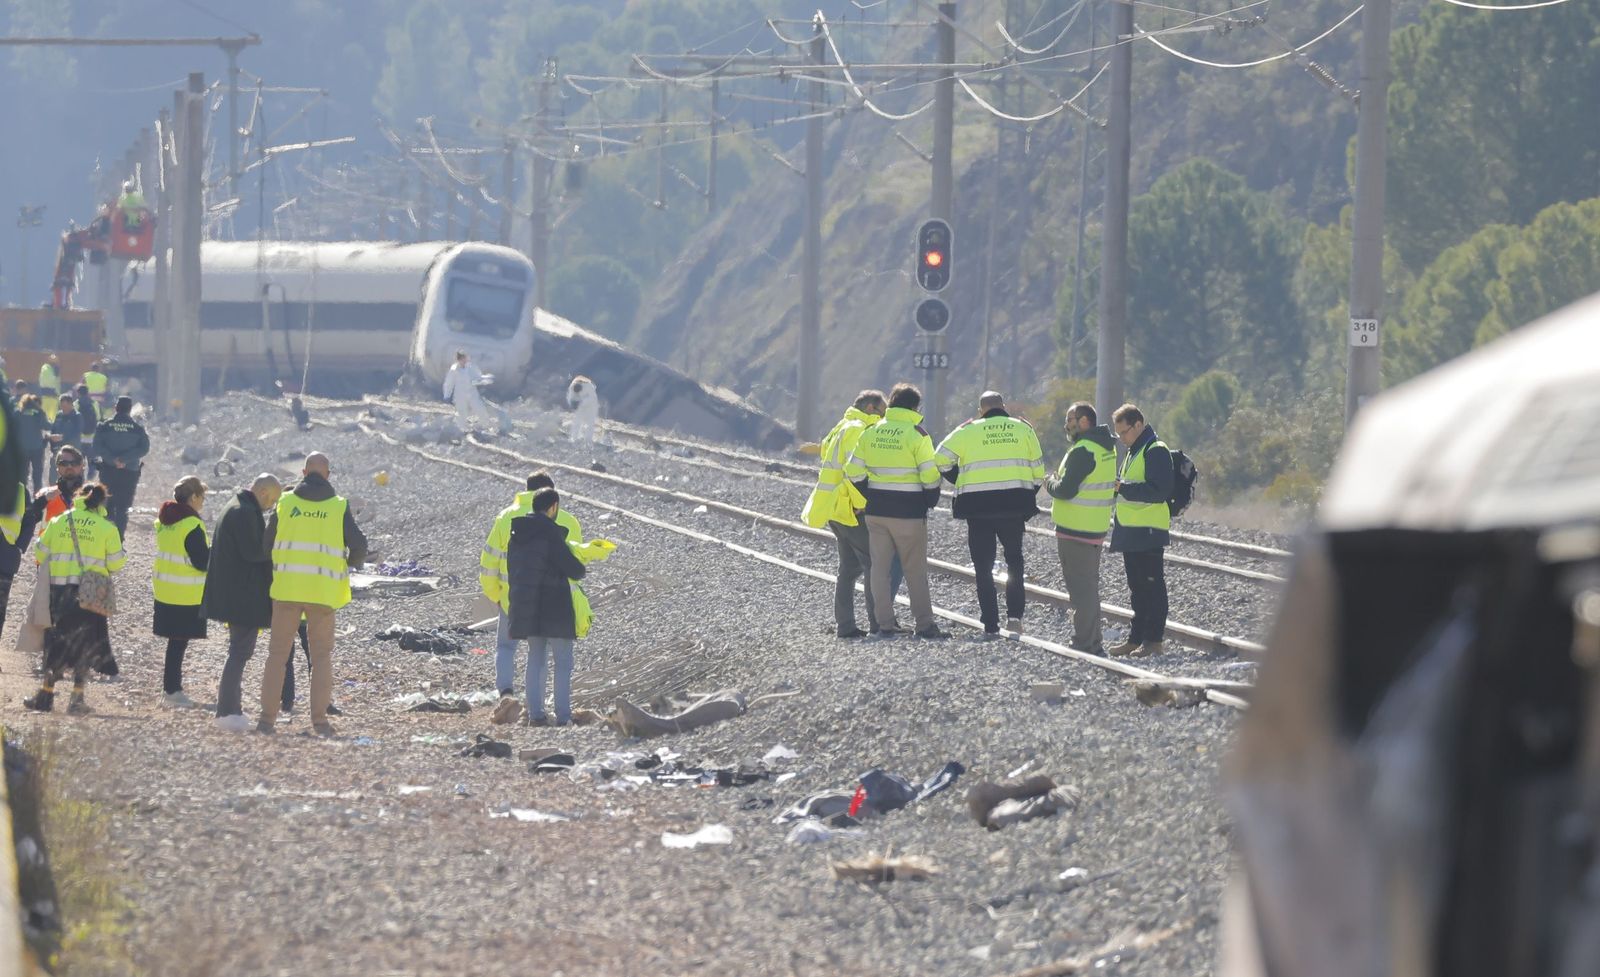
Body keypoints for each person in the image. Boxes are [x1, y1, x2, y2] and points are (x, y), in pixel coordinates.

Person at [257, 451, 367, 736]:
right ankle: (319, 721)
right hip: (322, 592)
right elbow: (359, 546)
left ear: (304, 474)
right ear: (328, 475)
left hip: (287, 589)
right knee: (321, 659)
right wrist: (344, 565)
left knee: (277, 656)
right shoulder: (337, 506)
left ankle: (266, 720)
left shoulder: (285, 502)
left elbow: (265, 545)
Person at [934, 391, 1046, 637]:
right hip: (1013, 508)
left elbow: (939, 457)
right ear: (1003, 407)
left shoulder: (967, 431)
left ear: (980, 410)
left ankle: (990, 625)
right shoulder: (1023, 430)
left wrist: (960, 479)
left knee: (983, 567)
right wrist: (1025, 492)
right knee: (1015, 561)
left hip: (978, 509)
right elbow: (1039, 472)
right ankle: (1015, 617)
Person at [843, 382, 948, 640]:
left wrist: (871, 494)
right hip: (909, 513)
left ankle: (883, 625)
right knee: (914, 569)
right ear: (915, 407)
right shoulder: (917, 434)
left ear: (890, 402)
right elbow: (930, 476)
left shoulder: (871, 431)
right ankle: (924, 625)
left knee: (879, 569)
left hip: (877, 512)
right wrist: (929, 500)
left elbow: (853, 470)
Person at [802, 390, 904, 637]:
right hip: (851, 509)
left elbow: (827, 453)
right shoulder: (858, 430)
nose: (883, 417)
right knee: (875, 564)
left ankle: (845, 626)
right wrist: (864, 503)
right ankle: (878, 623)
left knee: (848, 569)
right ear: (871, 408)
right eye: (882, 411)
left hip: (833, 507)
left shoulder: (841, 426)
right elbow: (853, 471)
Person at [23, 483, 126, 714]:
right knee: (84, 644)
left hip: (59, 592)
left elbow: (40, 551)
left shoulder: (59, 520)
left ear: (78, 497)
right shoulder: (107, 528)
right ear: (101, 502)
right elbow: (117, 563)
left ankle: (46, 696)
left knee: (56, 642)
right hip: (89, 595)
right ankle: (76, 699)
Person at [506, 488, 587, 726]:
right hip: (555, 607)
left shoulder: (517, 533)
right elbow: (575, 570)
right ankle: (563, 717)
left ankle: (536, 716)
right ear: (553, 507)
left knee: (536, 660)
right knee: (563, 663)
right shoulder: (551, 534)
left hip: (528, 607)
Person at [206, 474, 280, 731]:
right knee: (239, 653)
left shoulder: (236, 506)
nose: (270, 508)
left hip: (233, 592)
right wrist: (276, 542)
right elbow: (255, 552)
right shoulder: (245, 512)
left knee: (237, 652)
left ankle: (231, 709)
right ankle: (228, 712)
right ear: (263, 493)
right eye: (272, 501)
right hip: (243, 596)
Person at [1044, 402, 1119, 654]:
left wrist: (1050, 482)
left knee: (1081, 591)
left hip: (1076, 529)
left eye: (1071, 418)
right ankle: (1093, 641)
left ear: (1085, 421)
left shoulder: (1083, 450)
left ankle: (1085, 643)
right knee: (1088, 587)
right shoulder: (1105, 447)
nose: (1067, 424)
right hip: (1094, 526)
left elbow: (1065, 489)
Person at [1109, 404, 1174, 657]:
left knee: (1152, 586)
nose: (1122, 439)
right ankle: (1136, 638)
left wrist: (1122, 488)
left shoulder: (1155, 450)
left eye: (1124, 432)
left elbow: (1159, 491)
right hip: (1132, 530)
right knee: (1137, 588)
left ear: (1138, 425)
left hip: (1148, 530)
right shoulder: (1134, 451)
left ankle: (1153, 641)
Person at [153, 476, 210, 708]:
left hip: (165, 590)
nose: (203, 502)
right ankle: (172, 691)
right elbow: (200, 562)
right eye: (202, 497)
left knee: (174, 643)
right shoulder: (192, 525)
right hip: (185, 593)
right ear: (193, 497)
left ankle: (171, 689)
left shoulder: (166, 521)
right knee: (178, 644)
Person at [94, 396, 149, 537]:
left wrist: (113, 460)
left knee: (108, 506)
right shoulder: (137, 429)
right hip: (129, 472)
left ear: (115, 408)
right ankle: (119, 539)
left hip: (108, 471)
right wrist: (124, 459)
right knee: (123, 508)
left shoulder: (104, 426)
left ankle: (107, 538)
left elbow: (97, 447)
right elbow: (144, 448)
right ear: (130, 410)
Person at [442, 350, 487, 427]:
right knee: (461, 412)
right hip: (460, 395)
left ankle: (485, 425)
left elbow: (479, 378)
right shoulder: (454, 369)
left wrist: (483, 380)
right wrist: (447, 394)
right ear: (458, 359)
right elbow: (449, 383)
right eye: (462, 358)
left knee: (480, 409)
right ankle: (461, 428)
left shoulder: (471, 367)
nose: (464, 360)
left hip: (472, 393)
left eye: (465, 358)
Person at [15, 394, 48, 493]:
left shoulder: (18, 413)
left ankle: (23, 495)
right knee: (37, 473)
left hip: (22, 448)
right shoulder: (38, 413)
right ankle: (37, 493)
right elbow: (46, 426)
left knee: (23, 473)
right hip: (37, 447)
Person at [74, 385, 100, 477]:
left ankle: (80, 484)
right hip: (92, 439)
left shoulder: (76, 404)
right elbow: (98, 418)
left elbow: (74, 420)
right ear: (87, 392)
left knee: (78, 463)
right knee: (92, 464)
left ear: (78, 393)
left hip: (79, 440)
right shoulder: (94, 403)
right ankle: (90, 484)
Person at [566, 375, 600, 444]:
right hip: (580, 407)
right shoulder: (572, 388)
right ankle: (574, 438)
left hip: (591, 407)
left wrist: (581, 402)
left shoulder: (589, 387)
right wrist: (572, 404)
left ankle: (588, 440)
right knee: (577, 422)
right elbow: (570, 397)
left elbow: (591, 398)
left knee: (590, 423)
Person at [38, 355, 59, 421]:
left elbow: (42, 380)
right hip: (52, 396)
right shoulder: (54, 369)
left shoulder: (44, 368)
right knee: (53, 416)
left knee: (45, 415)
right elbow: (56, 382)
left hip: (46, 395)